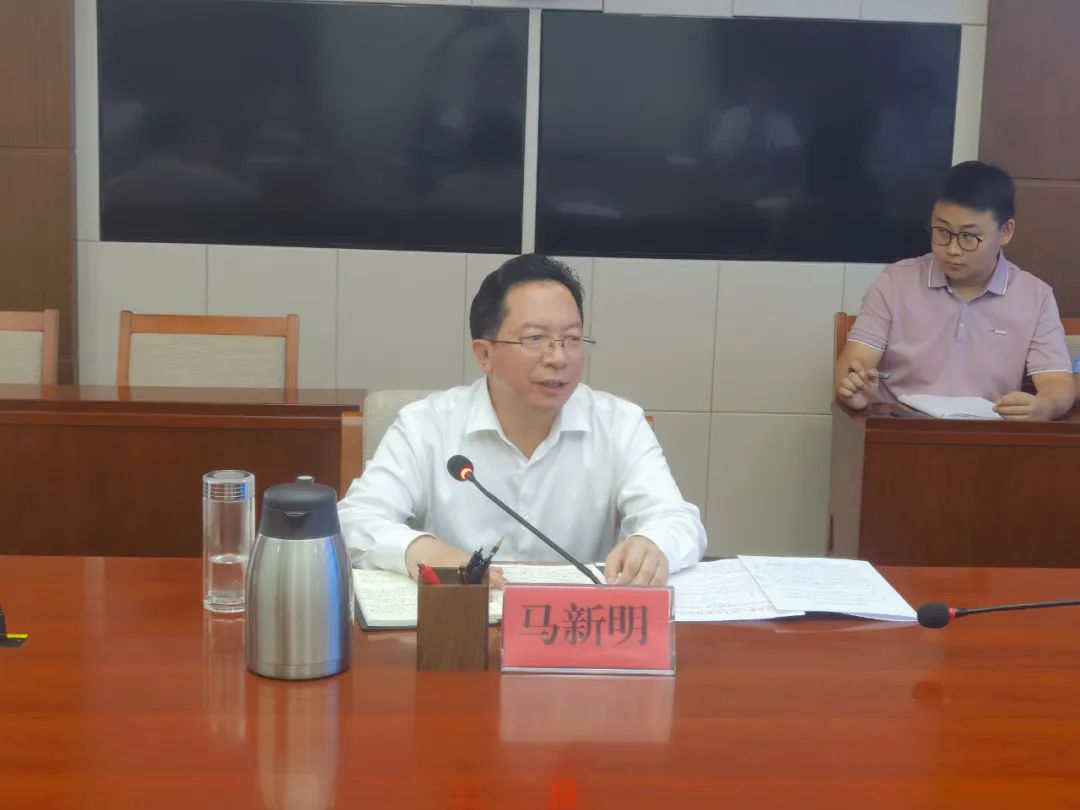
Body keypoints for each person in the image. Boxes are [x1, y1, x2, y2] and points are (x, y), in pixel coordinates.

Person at [339, 254, 706, 586]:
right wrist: (424, 551)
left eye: (571, 339)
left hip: (575, 627)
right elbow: (354, 520)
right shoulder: (426, 426)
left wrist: (652, 543)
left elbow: (677, 520)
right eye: (535, 339)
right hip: (463, 624)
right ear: (484, 354)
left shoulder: (619, 425)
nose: (558, 358)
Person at [835, 161, 1075, 420]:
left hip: (988, 435)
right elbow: (855, 361)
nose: (952, 249)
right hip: (902, 431)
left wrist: (1044, 407)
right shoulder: (895, 282)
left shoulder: (1035, 297)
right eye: (942, 232)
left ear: (1005, 232)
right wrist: (854, 388)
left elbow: (1057, 383)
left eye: (968, 237)